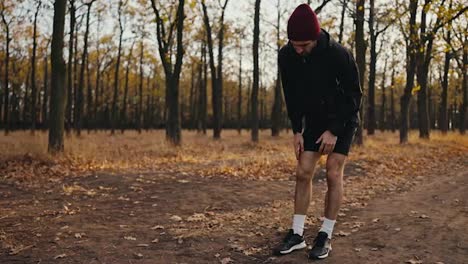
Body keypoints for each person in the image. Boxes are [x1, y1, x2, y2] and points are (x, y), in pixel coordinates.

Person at [273, 3, 362, 260]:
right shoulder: (287, 55)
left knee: (333, 171)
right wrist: (296, 130)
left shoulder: (339, 55)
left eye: (303, 45)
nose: (298, 50)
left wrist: (334, 131)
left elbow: (355, 96)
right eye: (294, 44)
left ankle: (325, 234)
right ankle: (297, 234)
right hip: (313, 118)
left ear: (316, 37)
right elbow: (291, 94)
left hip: (343, 118)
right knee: (303, 172)